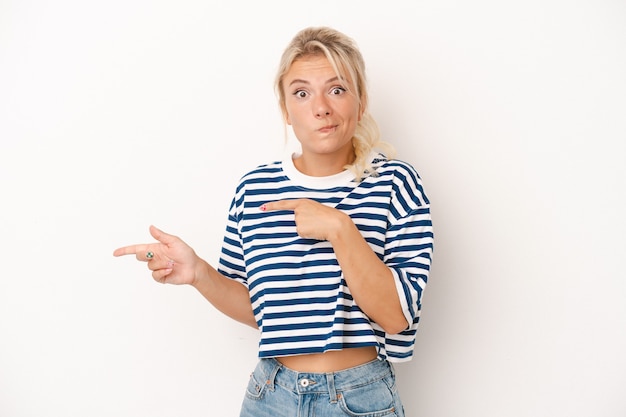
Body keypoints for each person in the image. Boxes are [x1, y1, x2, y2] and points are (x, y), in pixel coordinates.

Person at [114, 26, 434, 417]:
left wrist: (339, 229)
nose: (321, 107)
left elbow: (395, 317)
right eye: (302, 93)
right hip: (270, 395)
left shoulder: (395, 183)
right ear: (285, 109)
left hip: (357, 397)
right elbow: (261, 309)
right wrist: (198, 272)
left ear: (361, 101)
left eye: (337, 89)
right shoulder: (255, 189)